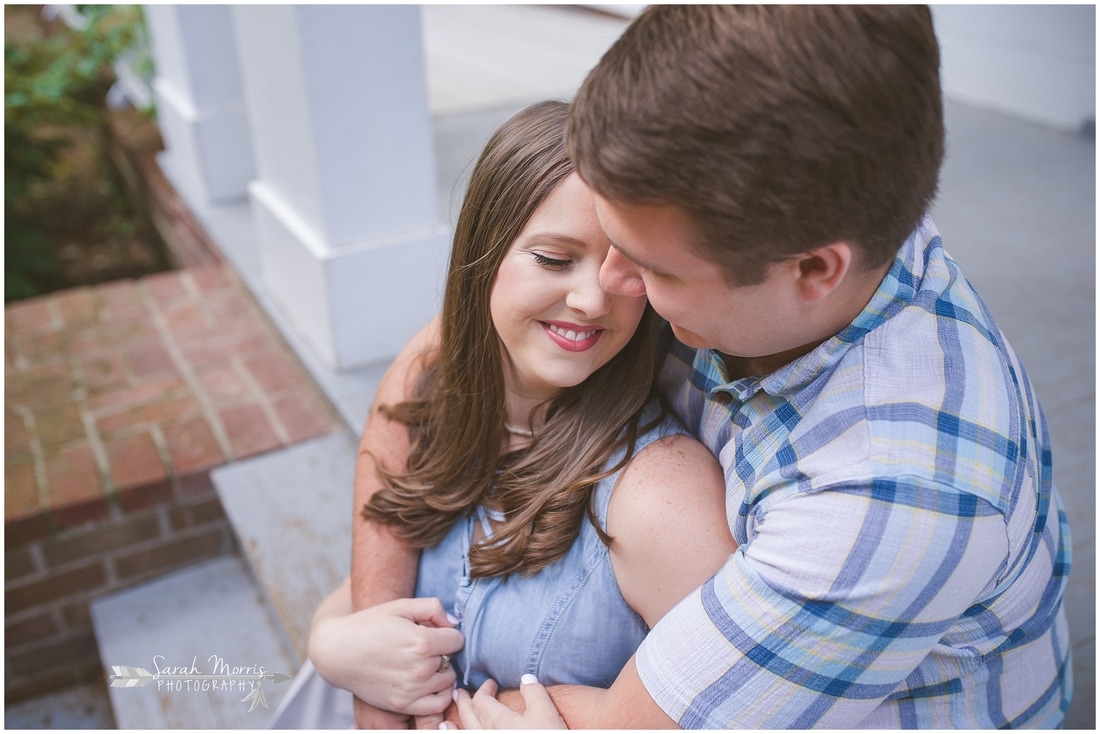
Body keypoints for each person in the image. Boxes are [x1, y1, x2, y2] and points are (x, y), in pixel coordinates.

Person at [350, 5, 1074, 730]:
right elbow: (454, 340)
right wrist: (365, 641)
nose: (609, 288)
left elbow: (630, 726)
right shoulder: (818, 187)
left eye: (651, 267)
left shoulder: (891, 496)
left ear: (812, 269)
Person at [267, 99, 734, 729]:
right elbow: (383, 593)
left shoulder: (658, 495)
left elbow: (740, 710)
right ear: (483, 252)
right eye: (553, 258)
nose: (591, 299)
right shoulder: (432, 404)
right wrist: (331, 642)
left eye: (625, 268)